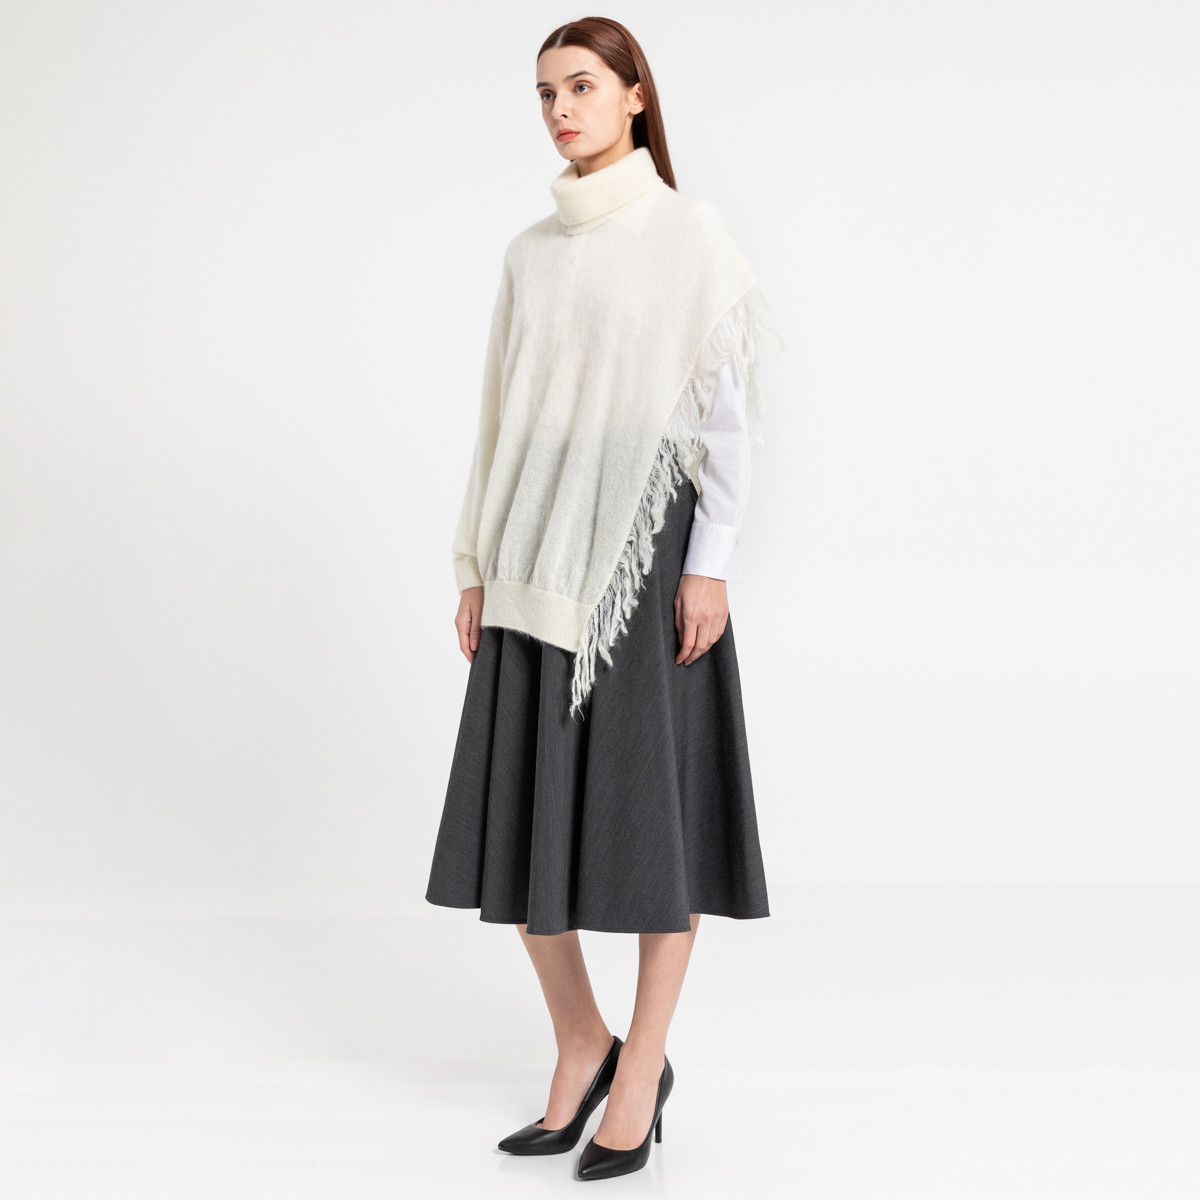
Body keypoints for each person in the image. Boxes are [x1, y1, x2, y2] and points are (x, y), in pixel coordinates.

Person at [424, 16, 785, 1183]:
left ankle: (643, 1069)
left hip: (641, 558)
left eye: (582, 86)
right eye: (545, 93)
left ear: (635, 96)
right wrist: (475, 563)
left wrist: (710, 561)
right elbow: (498, 418)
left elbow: (726, 422)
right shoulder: (530, 253)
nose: (561, 110)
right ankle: (583, 1040)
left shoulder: (688, 234)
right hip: (533, 560)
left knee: (651, 823)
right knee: (526, 818)